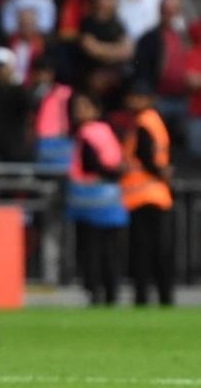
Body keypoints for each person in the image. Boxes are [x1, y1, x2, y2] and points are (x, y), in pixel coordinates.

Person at [65, 91, 128, 306]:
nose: (79, 111)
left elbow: (91, 164)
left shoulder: (86, 133)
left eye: (84, 106)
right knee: (110, 250)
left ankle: (96, 292)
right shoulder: (108, 131)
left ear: (96, 110)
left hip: (89, 201)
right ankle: (112, 292)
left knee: (91, 250)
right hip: (112, 200)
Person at [120, 81, 175, 306]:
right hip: (157, 194)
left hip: (143, 195)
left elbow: (145, 157)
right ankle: (165, 297)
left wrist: (158, 172)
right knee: (159, 250)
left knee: (143, 252)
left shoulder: (143, 123)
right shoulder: (155, 122)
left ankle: (143, 297)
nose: (132, 102)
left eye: (136, 97)